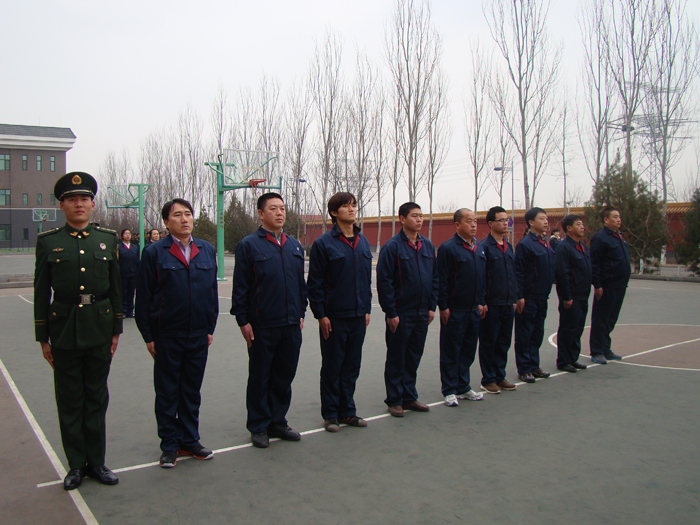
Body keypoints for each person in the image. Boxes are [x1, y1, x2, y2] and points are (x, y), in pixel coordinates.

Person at [33, 171, 122, 490]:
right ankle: (75, 465)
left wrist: (116, 329)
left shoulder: (107, 239)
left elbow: (115, 287)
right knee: (70, 399)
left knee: (96, 397)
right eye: (72, 200)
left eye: (84, 199)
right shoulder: (48, 242)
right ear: (62, 205)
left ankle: (96, 462)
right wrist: (43, 337)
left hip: (99, 329)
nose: (79, 204)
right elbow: (41, 291)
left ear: (93, 204)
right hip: (64, 331)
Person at [135, 198, 219, 468]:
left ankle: (190, 440)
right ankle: (169, 445)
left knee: (191, 391)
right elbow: (143, 298)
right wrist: (149, 336)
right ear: (166, 222)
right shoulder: (154, 252)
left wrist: (210, 328)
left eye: (188, 214)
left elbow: (212, 293)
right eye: (178, 215)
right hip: (167, 335)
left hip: (198, 334)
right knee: (167, 392)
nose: (185, 219)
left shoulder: (206, 249)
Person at [231, 192, 307, 448]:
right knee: (260, 376)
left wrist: (300, 313)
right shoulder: (249, 245)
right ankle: (259, 425)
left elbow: (300, 284)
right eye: (273, 208)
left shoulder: (294, 245)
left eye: (282, 208)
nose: (279, 213)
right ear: (261, 214)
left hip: (291, 323)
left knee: (284, 375)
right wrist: (243, 320)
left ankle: (277, 421)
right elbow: (241, 287)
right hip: (262, 324)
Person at [307, 192, 372, 432]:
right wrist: (321, 315)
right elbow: (315, 283)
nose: (352, 209)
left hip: (358, 316)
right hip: (334, 318)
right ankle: (331, 414)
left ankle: (348, 412)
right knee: (333, 366)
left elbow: (366, 280)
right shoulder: (323, 244)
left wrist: (366, 308)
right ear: (334, 213)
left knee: (351, 367)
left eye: (354, 205)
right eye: (346, 206)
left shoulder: (363, 242)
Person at [376, 202, 438, 417]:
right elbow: (384, 282)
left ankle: (409, 397)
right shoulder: (392, 247)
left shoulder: (427, 246)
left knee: (413, 357)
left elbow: (434, 278)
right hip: (401, 313)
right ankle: (394, 399)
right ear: (402, 219)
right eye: (414, 216)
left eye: (421, 216)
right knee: (397, 357)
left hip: (422, 313)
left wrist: (431, 307)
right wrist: (391, 312)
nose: (419, 220)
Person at [436, 208, 486, 406]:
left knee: (468, 349)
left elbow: (482, 278)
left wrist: (481, 301)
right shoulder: (448, 248)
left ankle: (463, 386)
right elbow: (442, 280)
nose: (473, 225)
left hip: (473, 308)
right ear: (457, 225)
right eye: (469, 221)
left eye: (475, 221)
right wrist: (443, 306)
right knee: (451, 350)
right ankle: (449, 389)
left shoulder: (479, 248)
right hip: (454, 309)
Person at [478, 206, 518, 394]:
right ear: (490, 223)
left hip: (507, 302)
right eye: (501, 220)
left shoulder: (509, 247)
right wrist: (482, 301)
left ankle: (500, 375)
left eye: (506, 220)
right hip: (491, 303)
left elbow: (513, 274)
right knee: (489, 342)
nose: (505, 223)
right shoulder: (484, 247)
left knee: (503, 341)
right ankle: (488, 379)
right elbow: (481, 276)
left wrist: (515, 297)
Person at [514, 207, 554, 383]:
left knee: (537, 333)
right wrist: (519, 295)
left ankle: (533, 365)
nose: (546, 222)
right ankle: (524, 368)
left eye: (546, 219)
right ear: (531, 222)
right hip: (528, 297)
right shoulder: (525, 244)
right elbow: (519, 272)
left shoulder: (545, 243)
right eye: (542, 219)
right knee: (525, 333)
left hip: (542, 296)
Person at [589, 207, 630, 364]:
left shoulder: (619, 237)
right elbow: (595, 263)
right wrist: (597, 285)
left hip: (620, 285)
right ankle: (597, 351)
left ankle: (606, 348)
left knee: (611, 319)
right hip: (607, 285)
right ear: (606, 220)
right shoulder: (600, 238)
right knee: (601, 319)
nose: (619, 219)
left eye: (619, 216)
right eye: (615, 217)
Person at [554, 215, 592, 373]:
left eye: (582, 224)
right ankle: (563, 360)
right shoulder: (564, 248)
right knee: (568, 328)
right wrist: (567, 296)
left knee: (578, 328)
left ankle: (573, 358)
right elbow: (562, 274)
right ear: (569, 228)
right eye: (578, 224)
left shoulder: (582, 246)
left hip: (583, 294)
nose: (582, 227)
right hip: (571, 296)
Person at [118, 228, 139, 317]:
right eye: (126, 234)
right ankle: (123, 310)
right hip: (123, 274)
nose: (127, 235)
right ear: (122, 236)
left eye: (129, 234)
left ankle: (130, 311)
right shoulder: (119, 247)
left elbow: (137, 261)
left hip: (133, 274)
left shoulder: (134, 247)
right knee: (123, 292)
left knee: (131, 293)